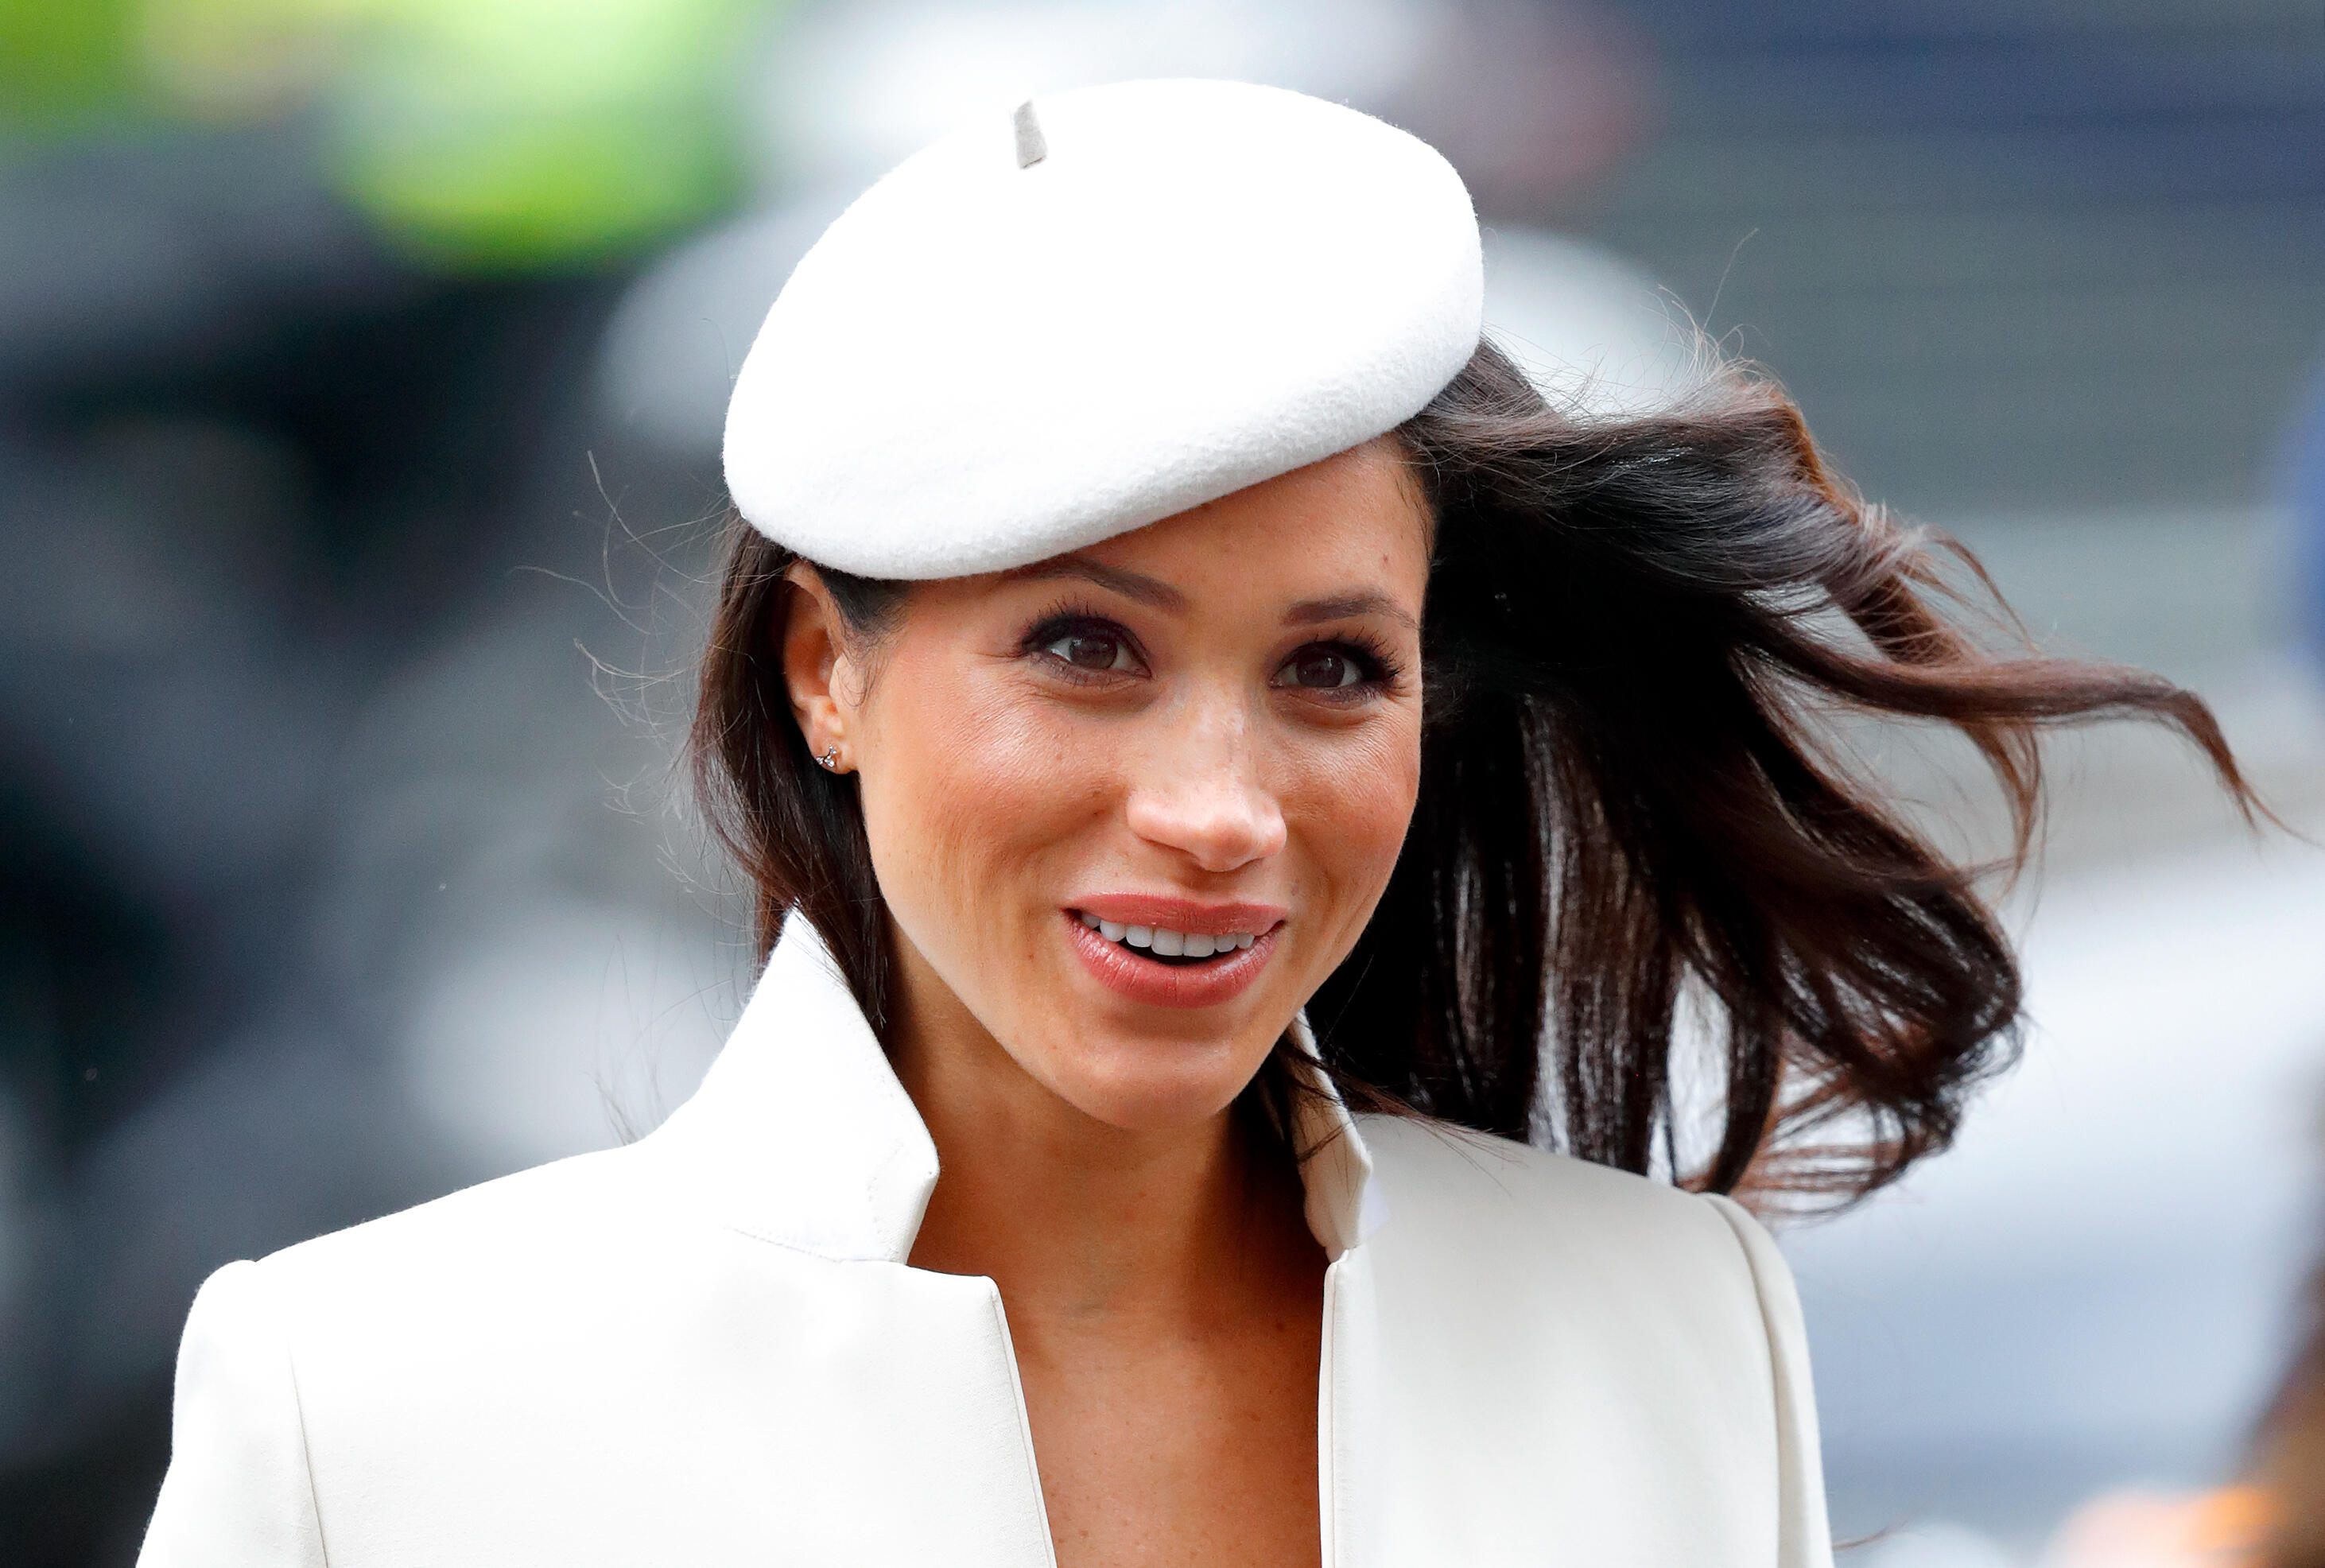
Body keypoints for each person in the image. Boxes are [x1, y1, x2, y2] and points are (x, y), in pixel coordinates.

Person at [135, 80, 2256, 1568]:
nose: (1221, 811)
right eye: (1086, 648)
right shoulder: (366, 1403)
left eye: (1332, 668)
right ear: (821, 670)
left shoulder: (1667, 1325)